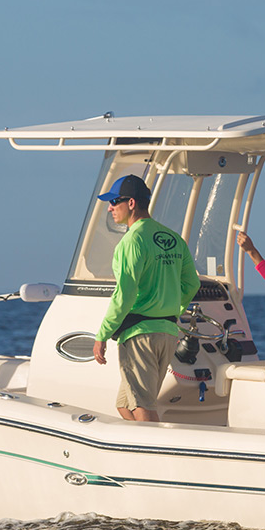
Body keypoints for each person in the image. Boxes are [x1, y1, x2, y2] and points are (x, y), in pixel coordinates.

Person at [93, 175, 201, 423]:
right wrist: (171, 310)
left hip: (139, 336)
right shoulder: (174, 239)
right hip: (167, 334)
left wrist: (102, 335)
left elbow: (125, 294)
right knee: (125, 406)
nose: (109, 208)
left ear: (131, 203)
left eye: (114, 202)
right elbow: (192, 283)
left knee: (142, 409)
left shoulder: (132, 241)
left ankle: (159, 458)